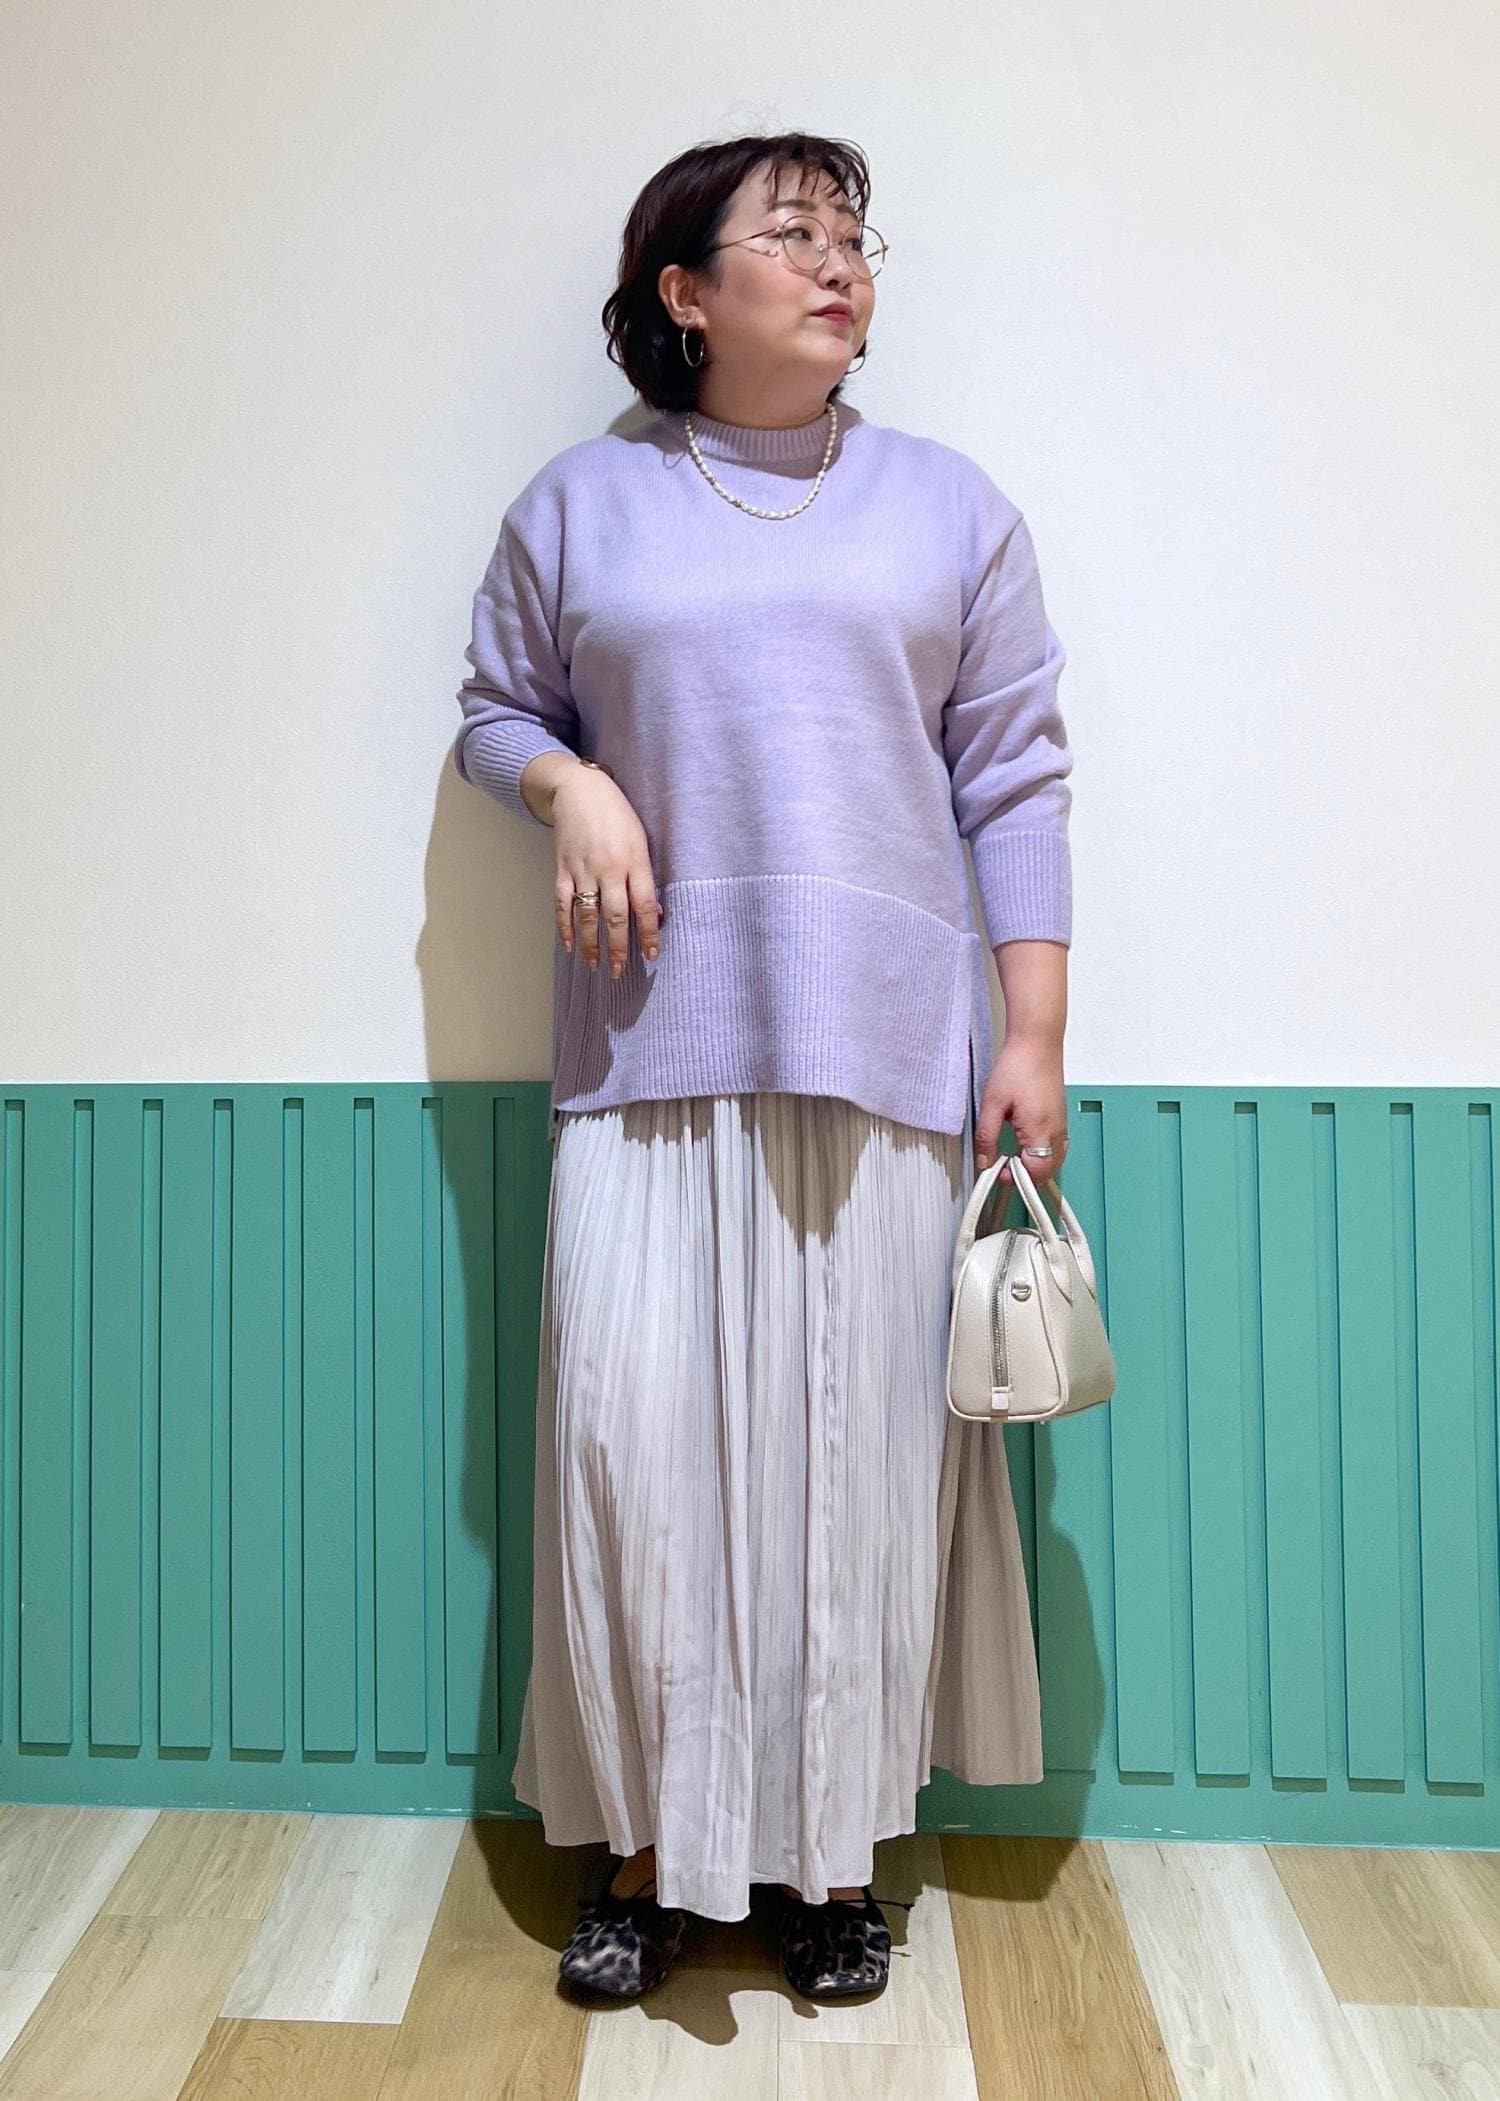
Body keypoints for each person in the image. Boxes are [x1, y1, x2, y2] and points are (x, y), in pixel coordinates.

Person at [452, 130, 1074, 2005]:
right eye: (793, 233)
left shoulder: (951, 506)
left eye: (854, 237)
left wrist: (1033, 1031)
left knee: (851, 1477)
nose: (840, 264)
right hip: (643, 1047)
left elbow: (1016, 776)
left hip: (886, 1054)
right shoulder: (585, 503)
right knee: (635, 1460)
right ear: (686, 291)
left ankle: (826, 1858)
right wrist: (568, 781)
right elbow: (494, 710)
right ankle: (649, 1848)